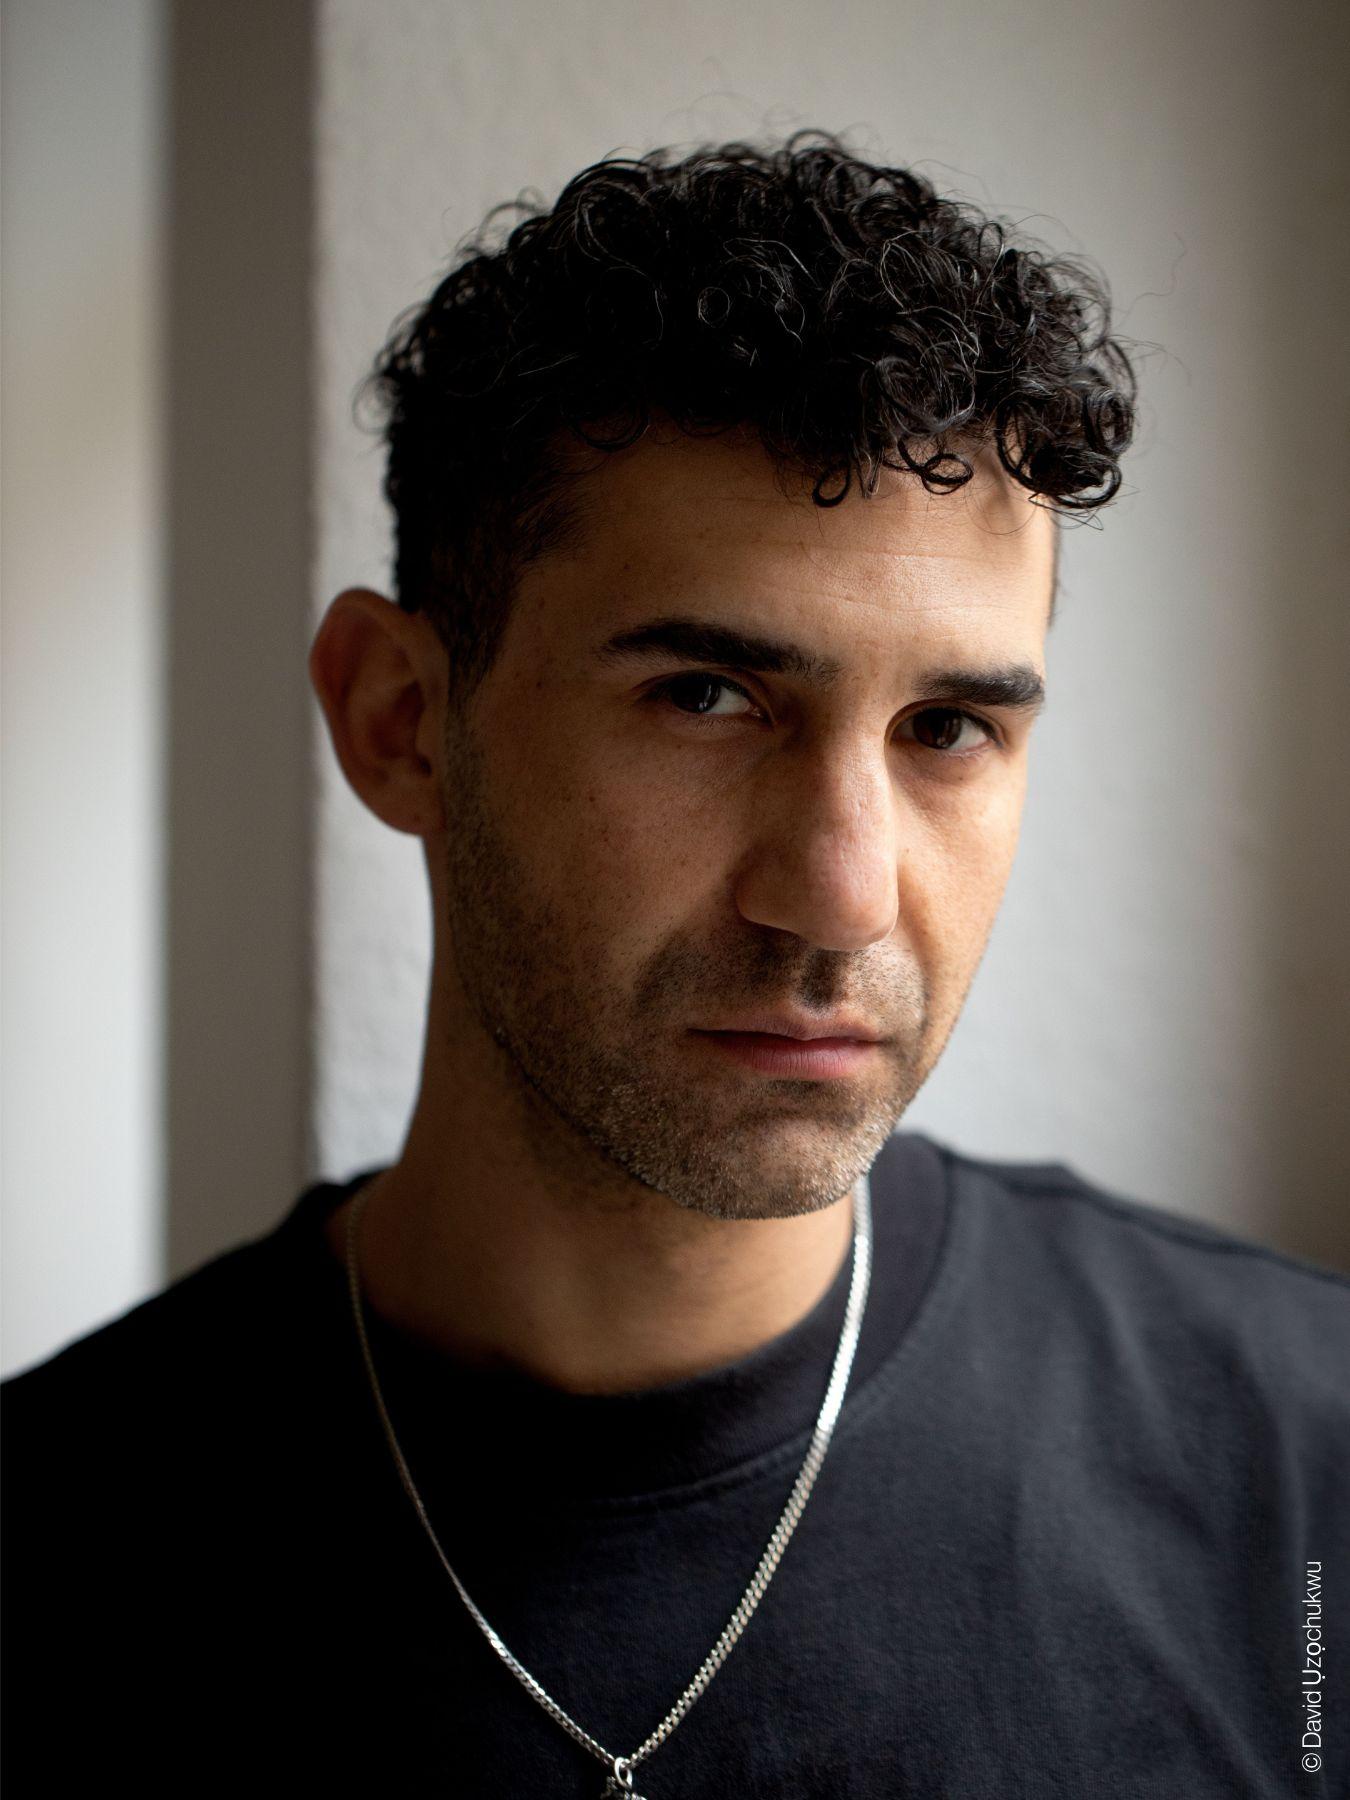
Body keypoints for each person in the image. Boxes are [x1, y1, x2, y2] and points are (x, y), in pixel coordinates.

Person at [4, 132, 1346, 1797]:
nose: (842, 897)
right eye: (706, 697)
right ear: (401, 720)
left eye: (947, 728)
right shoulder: (47, 1566)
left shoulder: (1299, 1469)